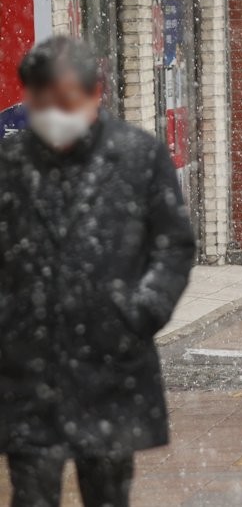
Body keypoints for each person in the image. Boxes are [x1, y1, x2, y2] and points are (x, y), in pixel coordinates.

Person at [0, 37, 195, 507]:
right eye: (41, 103)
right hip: (25, 361)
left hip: (110, 361)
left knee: (108, 492)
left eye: (65, 102)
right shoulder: (9, 162)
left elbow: (173, 245)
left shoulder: (137, 156)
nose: (53, 115)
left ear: (94, 94)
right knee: (31, 490)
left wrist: (144, 307)